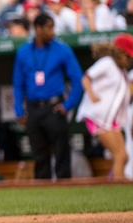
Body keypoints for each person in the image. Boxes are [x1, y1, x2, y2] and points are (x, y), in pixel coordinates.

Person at [12, 12, 84, 180]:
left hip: (54, 108)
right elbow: (17, 84)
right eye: (49, 28)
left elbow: (78, 80)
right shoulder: (23, 52)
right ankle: (42, 193)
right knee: (39, 154)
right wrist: (19, 111)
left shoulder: (62, 49)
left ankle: (65, 189)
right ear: (38, 28)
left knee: (61, 152)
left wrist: (67, 105)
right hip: (33, 108)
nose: (53, 32)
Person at [76, 34, 133, 180]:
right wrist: (92, 95)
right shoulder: (107, 62)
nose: (130, 59)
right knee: (119, 155)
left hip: (111, 119)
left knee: (124, 156)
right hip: (97, 116)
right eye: (127, 55)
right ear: (119, 51)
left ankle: (112, 182)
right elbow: (86, 77)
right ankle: (118, 190)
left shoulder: (122, 71)